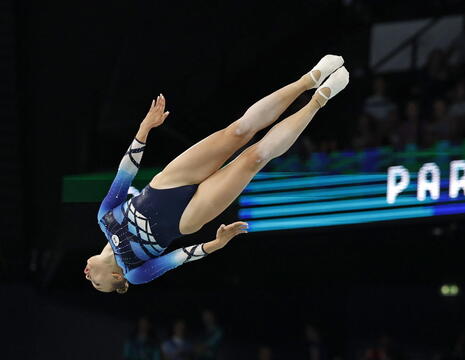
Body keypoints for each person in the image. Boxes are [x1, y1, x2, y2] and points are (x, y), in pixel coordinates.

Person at [84, 56, 349, 291]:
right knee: (253, 159)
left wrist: (144, 129)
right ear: (117, 278)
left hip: (165, 184)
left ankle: (308, 80)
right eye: (97, 283)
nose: (88, 275)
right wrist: (215, 244)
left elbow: (125, 173)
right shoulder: (135, 273)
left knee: (237, 132)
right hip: (185, 219)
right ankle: (319, 99)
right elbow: (179, 257)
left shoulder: (104, 218)